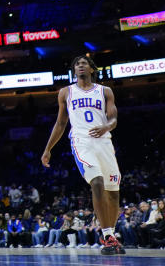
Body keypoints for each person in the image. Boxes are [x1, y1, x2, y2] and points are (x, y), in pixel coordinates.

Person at [41, 55, 124, 255]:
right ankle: (106, 236)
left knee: (113, 193)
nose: (80, 66)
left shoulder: (105, 91)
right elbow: (60, 124)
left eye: (83, 63)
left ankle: (111, 235)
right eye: (77, 64)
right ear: (74, 70)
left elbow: (113, 118)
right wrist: (47, 149)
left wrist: (106, 126)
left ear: (92, 69)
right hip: (81, 142)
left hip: (104, 142)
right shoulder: (66, 92)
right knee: (96, 183)